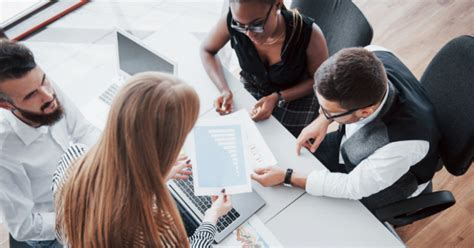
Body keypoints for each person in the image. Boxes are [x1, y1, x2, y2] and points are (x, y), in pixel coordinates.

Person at [53, 72, 233, 247]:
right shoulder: (155, 227)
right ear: (163, 150)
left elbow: (62, 233)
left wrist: (155, 180)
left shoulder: (73, 158)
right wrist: (212, 217)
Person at [251, 47, 441, 211]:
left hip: (395, 180)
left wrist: (288, 177)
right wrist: (323, 119)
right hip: (354, 146)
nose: (322, 112)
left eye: (330, 112)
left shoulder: (402, 143)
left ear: (365, 112)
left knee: (319, 212)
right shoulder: (371, 54)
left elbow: (353, 187)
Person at [0, 39, 100, 246]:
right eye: (30, 96)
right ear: (5, 105)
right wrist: (86, 213)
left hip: (86, 191)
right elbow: (24, 227)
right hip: (56, 229)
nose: (48, 97)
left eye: (44, 80)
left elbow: (83, 131)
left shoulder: (42, 89)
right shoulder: (4, 152)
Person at [201, 0, 328, 137]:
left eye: (256, 24)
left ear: (277, 5)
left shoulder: (309, 33)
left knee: (280, 146)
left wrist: (277, 97)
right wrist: (224, 90)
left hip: (296, 97)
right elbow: (207, 50)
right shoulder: (232, 21)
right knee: (240, 136)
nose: (248, 34)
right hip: (255, 87)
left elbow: (319, 80)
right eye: (240, 25)